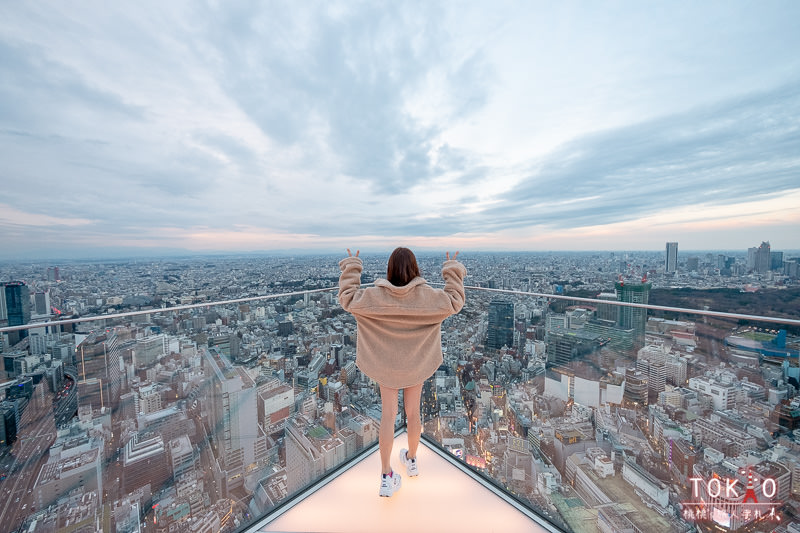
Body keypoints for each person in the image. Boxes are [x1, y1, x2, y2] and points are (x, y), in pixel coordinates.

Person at [338, 247, 467, 497]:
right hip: (416, 364)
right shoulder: (428, 297)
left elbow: (347, 298)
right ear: (416, 268)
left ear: (389, 269)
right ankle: (412, 459)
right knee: (413, 412)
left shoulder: (375, 297)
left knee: (388, 416)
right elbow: (455, 301)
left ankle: (386, 476)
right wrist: (451, 269)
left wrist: (353, 265)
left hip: (387, 365)